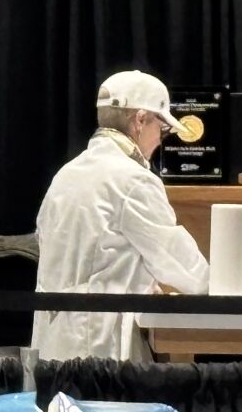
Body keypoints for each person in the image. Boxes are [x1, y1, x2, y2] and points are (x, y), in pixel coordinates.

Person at [31, 70, 209, 361]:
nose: (161, 140)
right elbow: (175, 260)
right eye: (161, 129)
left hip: (53, 344)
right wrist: (221, 289)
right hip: (101, 347)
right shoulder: (133, 180)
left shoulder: (65, 175)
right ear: (140, 120)